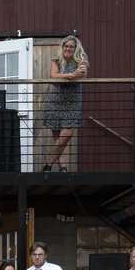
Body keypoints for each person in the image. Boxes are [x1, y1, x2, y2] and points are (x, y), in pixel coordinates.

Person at [41, 35, 88, 172]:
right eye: (65, 46)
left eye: (71, 46)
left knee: (66, 134)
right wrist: (71, 75)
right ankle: (62, 166)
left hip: (72, 102)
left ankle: (48, 164)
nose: (68, 48)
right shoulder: (56, 60)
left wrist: (69, 75)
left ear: (76, 48)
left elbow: (82, 73)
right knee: (57, 136)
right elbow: (53, 77)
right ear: (62, 47)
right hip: (55, 100)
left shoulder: (81, 60)